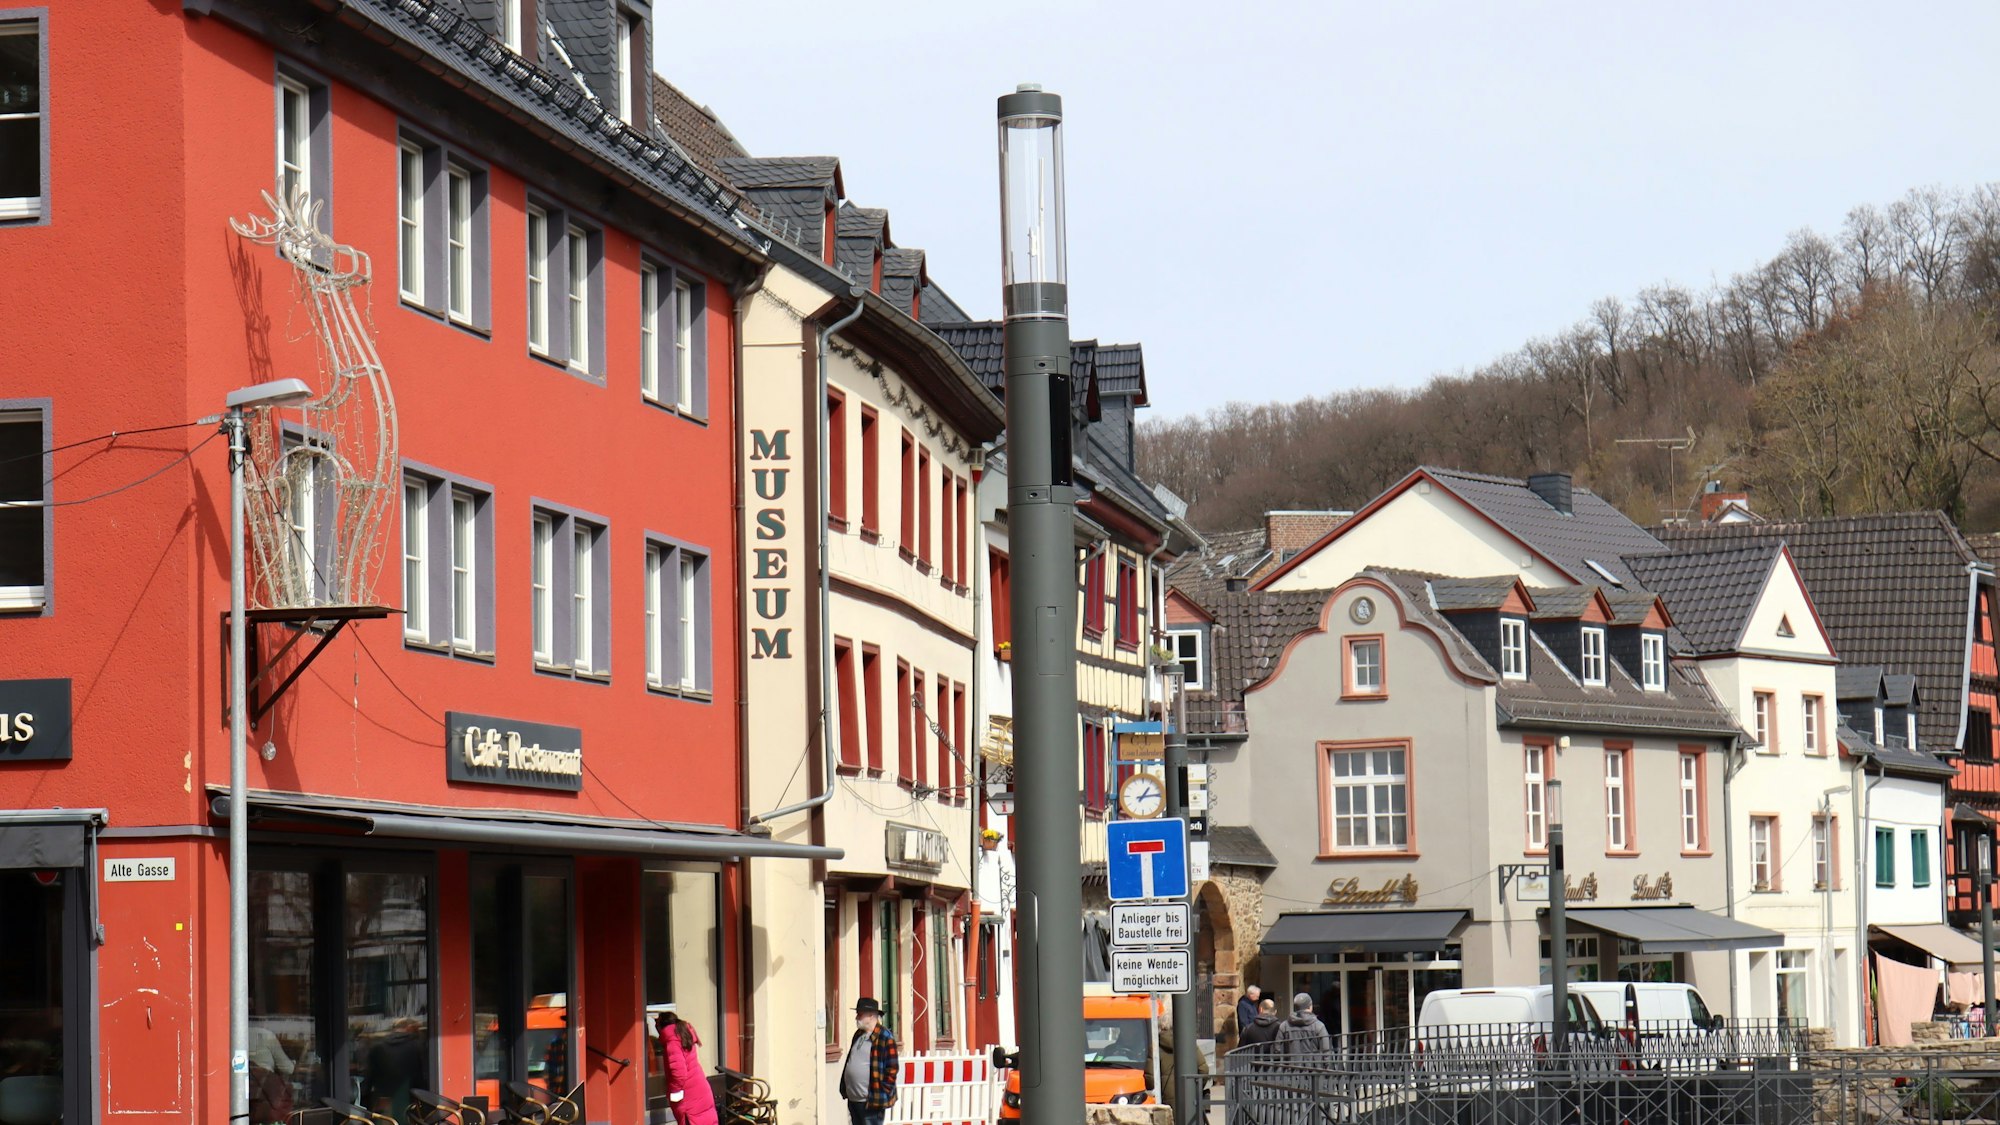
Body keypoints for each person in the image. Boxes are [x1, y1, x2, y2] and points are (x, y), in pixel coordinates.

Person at [839, 998, 898, 1125]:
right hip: (854, 1099)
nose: (856, 1017)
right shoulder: (858, 1034)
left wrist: (883, 1091)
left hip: (871, 1102)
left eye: (860, 1014)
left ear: (871, 1015)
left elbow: (892, 1068)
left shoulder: (885, 1037)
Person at [656, 1007, 718, 1125]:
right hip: (700, 1090)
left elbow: (679, 1072)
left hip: (689, 1097)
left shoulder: (672, 1041)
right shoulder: (682, 1034)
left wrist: (674, 1093)